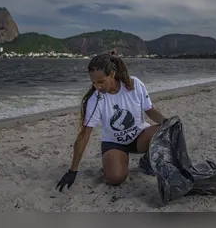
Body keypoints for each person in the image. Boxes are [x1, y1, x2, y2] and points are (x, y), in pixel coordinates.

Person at [56, 53, 168, 192]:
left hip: (139, 137)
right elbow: (84, 135)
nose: (97, 87)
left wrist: (165, 121)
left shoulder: (134, 85)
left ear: (112, 74)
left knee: (168, 129)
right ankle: (114, 161)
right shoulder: (95, 100)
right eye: (94, 83)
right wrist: (73, 171)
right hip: (114, 143)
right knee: (115, 178)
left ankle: (147, 161)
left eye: (101, 82)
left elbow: (150, 110)